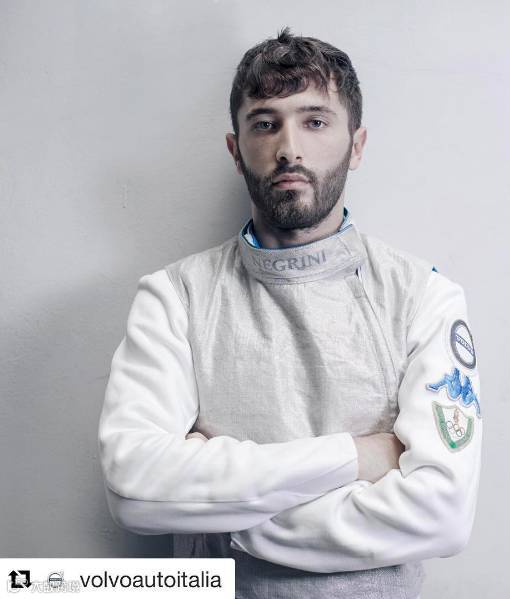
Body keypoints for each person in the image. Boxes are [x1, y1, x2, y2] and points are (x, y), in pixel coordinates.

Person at [98, 27, 482, 599]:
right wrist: (356, 457)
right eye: (265, 123)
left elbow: (440, 515)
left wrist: (224, 516)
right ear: (236, 150)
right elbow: (134, 489)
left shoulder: (423, 297)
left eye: (315, 121)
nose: (289, 149)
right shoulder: (175, 296)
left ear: (356, 145)